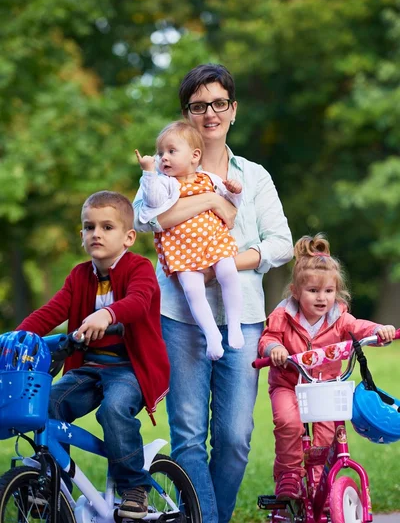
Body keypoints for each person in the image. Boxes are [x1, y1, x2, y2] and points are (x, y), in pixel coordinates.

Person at [133, 64, 293, 523]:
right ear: (187, 112)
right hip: (179, 317)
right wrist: (207, 201)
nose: (210, 113)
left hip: (243, 316)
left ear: (233, 110)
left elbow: (280, 243)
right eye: (199, 105)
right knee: (186, 434)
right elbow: (146, 218)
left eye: (219, 103)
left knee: (236, 435)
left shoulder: (254, 176)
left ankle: (211, 517)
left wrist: (219, 265)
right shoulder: (168, 162)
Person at [17, 191, 170, 520]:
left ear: (129, 237)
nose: (96, 233)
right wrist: (17, 339)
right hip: (89, 369)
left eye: (107, 227)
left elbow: (140, 301)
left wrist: (108, 315)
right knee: (47, 404)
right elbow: (50, 312)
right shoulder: (78, 276)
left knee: (114, 410)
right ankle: (51, 482)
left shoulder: (139, 268)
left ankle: (134, 486)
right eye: (89, 227)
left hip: (131, 368)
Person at [258, 233, 396, 500]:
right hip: (288, 384)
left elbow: (359, 329)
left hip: (326, 387)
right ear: (296, 292)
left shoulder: (339, 318)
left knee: (327, 434)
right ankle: (289, 476)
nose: (321, 298)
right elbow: (269, 337)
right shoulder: (283, 316)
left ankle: (321, 486)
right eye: (313, 291)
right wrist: (273, 349)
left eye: (328, 291)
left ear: (336, 292)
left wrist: (379, 330)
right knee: (288, 423)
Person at [135, 120, 244, 361]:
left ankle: (234, 324)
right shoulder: (163, 183)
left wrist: (236, 191)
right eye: (161, 152)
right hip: (180, 248)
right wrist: (148, 173)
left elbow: (231, 207)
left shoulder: (209, 179)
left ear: (195, 156)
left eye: (171, 152)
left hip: (213, 240)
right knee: (193, 290)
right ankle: (212, 334)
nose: (164, 158)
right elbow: (151, 206)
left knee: (228, 273)